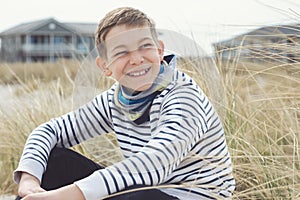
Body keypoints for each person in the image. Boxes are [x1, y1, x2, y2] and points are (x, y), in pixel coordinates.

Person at [14, 7, 235, 200]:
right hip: (143, 190)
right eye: (121, 52)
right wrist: (29, 181)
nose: (137, 59)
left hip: (190, 196)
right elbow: (51, 130)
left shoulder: (184, 96)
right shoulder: (115, 99)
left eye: (144, 47)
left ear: (159, 50)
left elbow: (154, 164)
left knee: (142, 197)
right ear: (105, 66)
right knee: (55, 160)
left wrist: (69, 195)